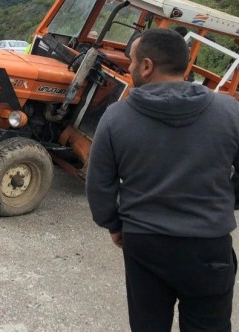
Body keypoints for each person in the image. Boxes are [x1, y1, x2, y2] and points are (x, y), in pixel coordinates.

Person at [86, 28, 239, 332]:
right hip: (209, 247)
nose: (128, 68)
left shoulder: (116, 117)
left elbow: (98, 184)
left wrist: (114, 224)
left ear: (147, 66)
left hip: (145, 245)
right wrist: (224, 202)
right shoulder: (230, 111)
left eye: (131, 62)